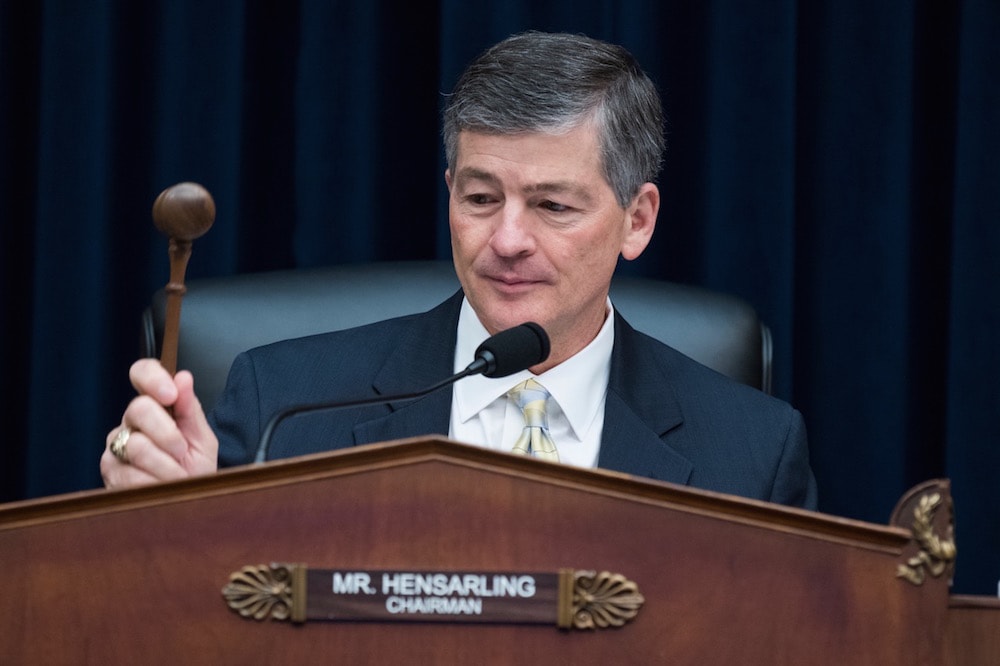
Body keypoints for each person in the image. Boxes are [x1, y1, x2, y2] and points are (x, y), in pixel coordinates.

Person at [102, 31, 817, 509]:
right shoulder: (283, 408)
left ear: (638, 220)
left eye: (553, 206)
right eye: (480, 198)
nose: (507, 239)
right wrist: (173, 517)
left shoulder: (753, 453)